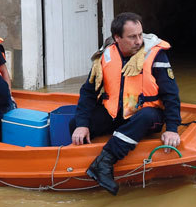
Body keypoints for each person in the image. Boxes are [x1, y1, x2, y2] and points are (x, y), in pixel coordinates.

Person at [70, 12, 181, 195]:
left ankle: (105, 161)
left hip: (147, 116)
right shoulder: (105, 56)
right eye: (132, 37)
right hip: (115, 114)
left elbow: (171, 95)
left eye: (140, 35)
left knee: (145, 116)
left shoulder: (156, 55)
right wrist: (82, 125)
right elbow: (88, 93)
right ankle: (78, 164)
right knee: (75, 123)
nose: (138, 41)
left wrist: (172, 128)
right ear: (117, 38)